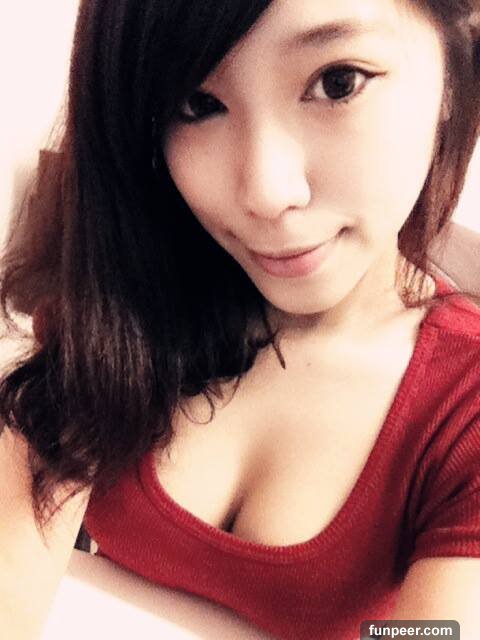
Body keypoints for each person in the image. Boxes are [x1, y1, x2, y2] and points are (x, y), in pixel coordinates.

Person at [1, 0, 480, 638]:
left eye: (338, 82)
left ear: (454, 73)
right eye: (197, 105)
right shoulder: (128, 298)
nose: (266, 192)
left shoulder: (464, 406)